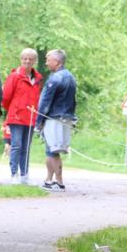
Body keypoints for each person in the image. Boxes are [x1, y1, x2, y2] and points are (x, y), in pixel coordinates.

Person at [35, 49, 77, 191]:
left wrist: (39, 121)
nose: (46, 63)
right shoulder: (71, 77)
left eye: (48, 60)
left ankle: (58, 182)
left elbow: (45, 103)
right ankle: (49, 180)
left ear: (57, 61)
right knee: (51, 150)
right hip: (66, 117)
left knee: (53, 150)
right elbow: (74, 101)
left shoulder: (55, 78)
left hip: (53, 118)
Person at [1, 48, 43, 184]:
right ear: (21, 59)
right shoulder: (14, 76)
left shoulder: (38, 79)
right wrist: (14, 109)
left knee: (26, 147)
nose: (27, 61)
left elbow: (38, 98)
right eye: (25, 58)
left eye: (30, 59)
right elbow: (6, 97)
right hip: (16, 117)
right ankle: (14, 174)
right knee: (17, 145)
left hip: (31, 117)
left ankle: (25, 176)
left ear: (34, 61)